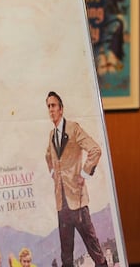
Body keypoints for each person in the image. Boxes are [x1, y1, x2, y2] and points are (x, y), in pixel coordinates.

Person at [44, 91, 108, 267]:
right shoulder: (51, 135)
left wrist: (84, 174)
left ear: (61, 109)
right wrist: (54, 175)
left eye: (54, 106)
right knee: (66, 255)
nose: (51, 110)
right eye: (48, 106)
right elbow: (48, 157)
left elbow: (95, 149)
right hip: (61, 203)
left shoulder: (73, 128)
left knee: (93, 247)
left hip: (77, 202)